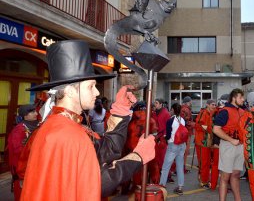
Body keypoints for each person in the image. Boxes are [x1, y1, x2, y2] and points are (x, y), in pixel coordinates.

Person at [20, 40, 155, 200]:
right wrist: (137, 157)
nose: (97, 92)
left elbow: (107, 150)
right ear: (70, 91)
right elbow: (96, 182)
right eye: (91, 86)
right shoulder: (67, 132)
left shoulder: (65, 125)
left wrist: (120, 111)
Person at [213, 88, 245, 201]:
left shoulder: (242, 111)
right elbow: (216, 129)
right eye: (241, 97)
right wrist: (231, 140)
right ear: (234, 98)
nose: (243, 99)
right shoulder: (225, 111)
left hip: (240, 146)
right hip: (228, 146)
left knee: (236, 174)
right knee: (225, 177)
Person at [7, 104, 39, 200]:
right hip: (22, 170)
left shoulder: (37, 125)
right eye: (33, 112)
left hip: (34, 168)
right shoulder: (19, 130)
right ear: (25, 115)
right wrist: (21, 175)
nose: (36, 113)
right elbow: (17, 153)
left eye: (36, 111)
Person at [125, 101, 160, 188]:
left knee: (137, 172)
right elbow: (156, 135)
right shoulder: (151, 120)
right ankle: (154, 189)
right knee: (154, 169)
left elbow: (127, 137)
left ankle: (137, 190)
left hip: (135, 151)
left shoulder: (131, 122)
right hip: (149, 150)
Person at [160, 103, 187, 195]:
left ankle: (162, 186)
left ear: (172, 110)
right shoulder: (182, 120)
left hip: (173, 145)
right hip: (182, 145)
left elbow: (168, 135)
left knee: (165, 167)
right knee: (179, 166)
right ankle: (180, 187)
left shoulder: (170, 120)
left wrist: (165, 137)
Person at [194, 99, 219, 189]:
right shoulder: (203, 113)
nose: (214, 106)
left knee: (207, 162)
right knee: (204, 162)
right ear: (207, 105)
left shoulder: (211, 113)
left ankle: (204, 179)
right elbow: (198, 125)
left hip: (207, 141)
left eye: (215, 105)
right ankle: (203, 181)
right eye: (212, 104)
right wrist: (210, 129)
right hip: (202, 142)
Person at [152, 98, 171, 180]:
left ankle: (166, 176)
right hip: (155, 137)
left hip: (162, 138)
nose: (155, 104)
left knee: (163, 158)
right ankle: (158, 174)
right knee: (156, 157)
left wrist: (165, 136)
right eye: (155, 103)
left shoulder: (166, 114)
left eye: (156, 103)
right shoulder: (153, 113)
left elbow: (168, 126)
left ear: (161, 104)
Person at [181, 96, 195, 173]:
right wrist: (193, 124)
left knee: (183, 151)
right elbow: (184, 121)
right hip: (186, 132)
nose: (191, 103)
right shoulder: (185, 109)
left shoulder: (184, 109)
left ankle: (182, 167)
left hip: (185, 132)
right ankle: (182, 167)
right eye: (190, 102)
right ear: (187, 102)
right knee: (185, 151)